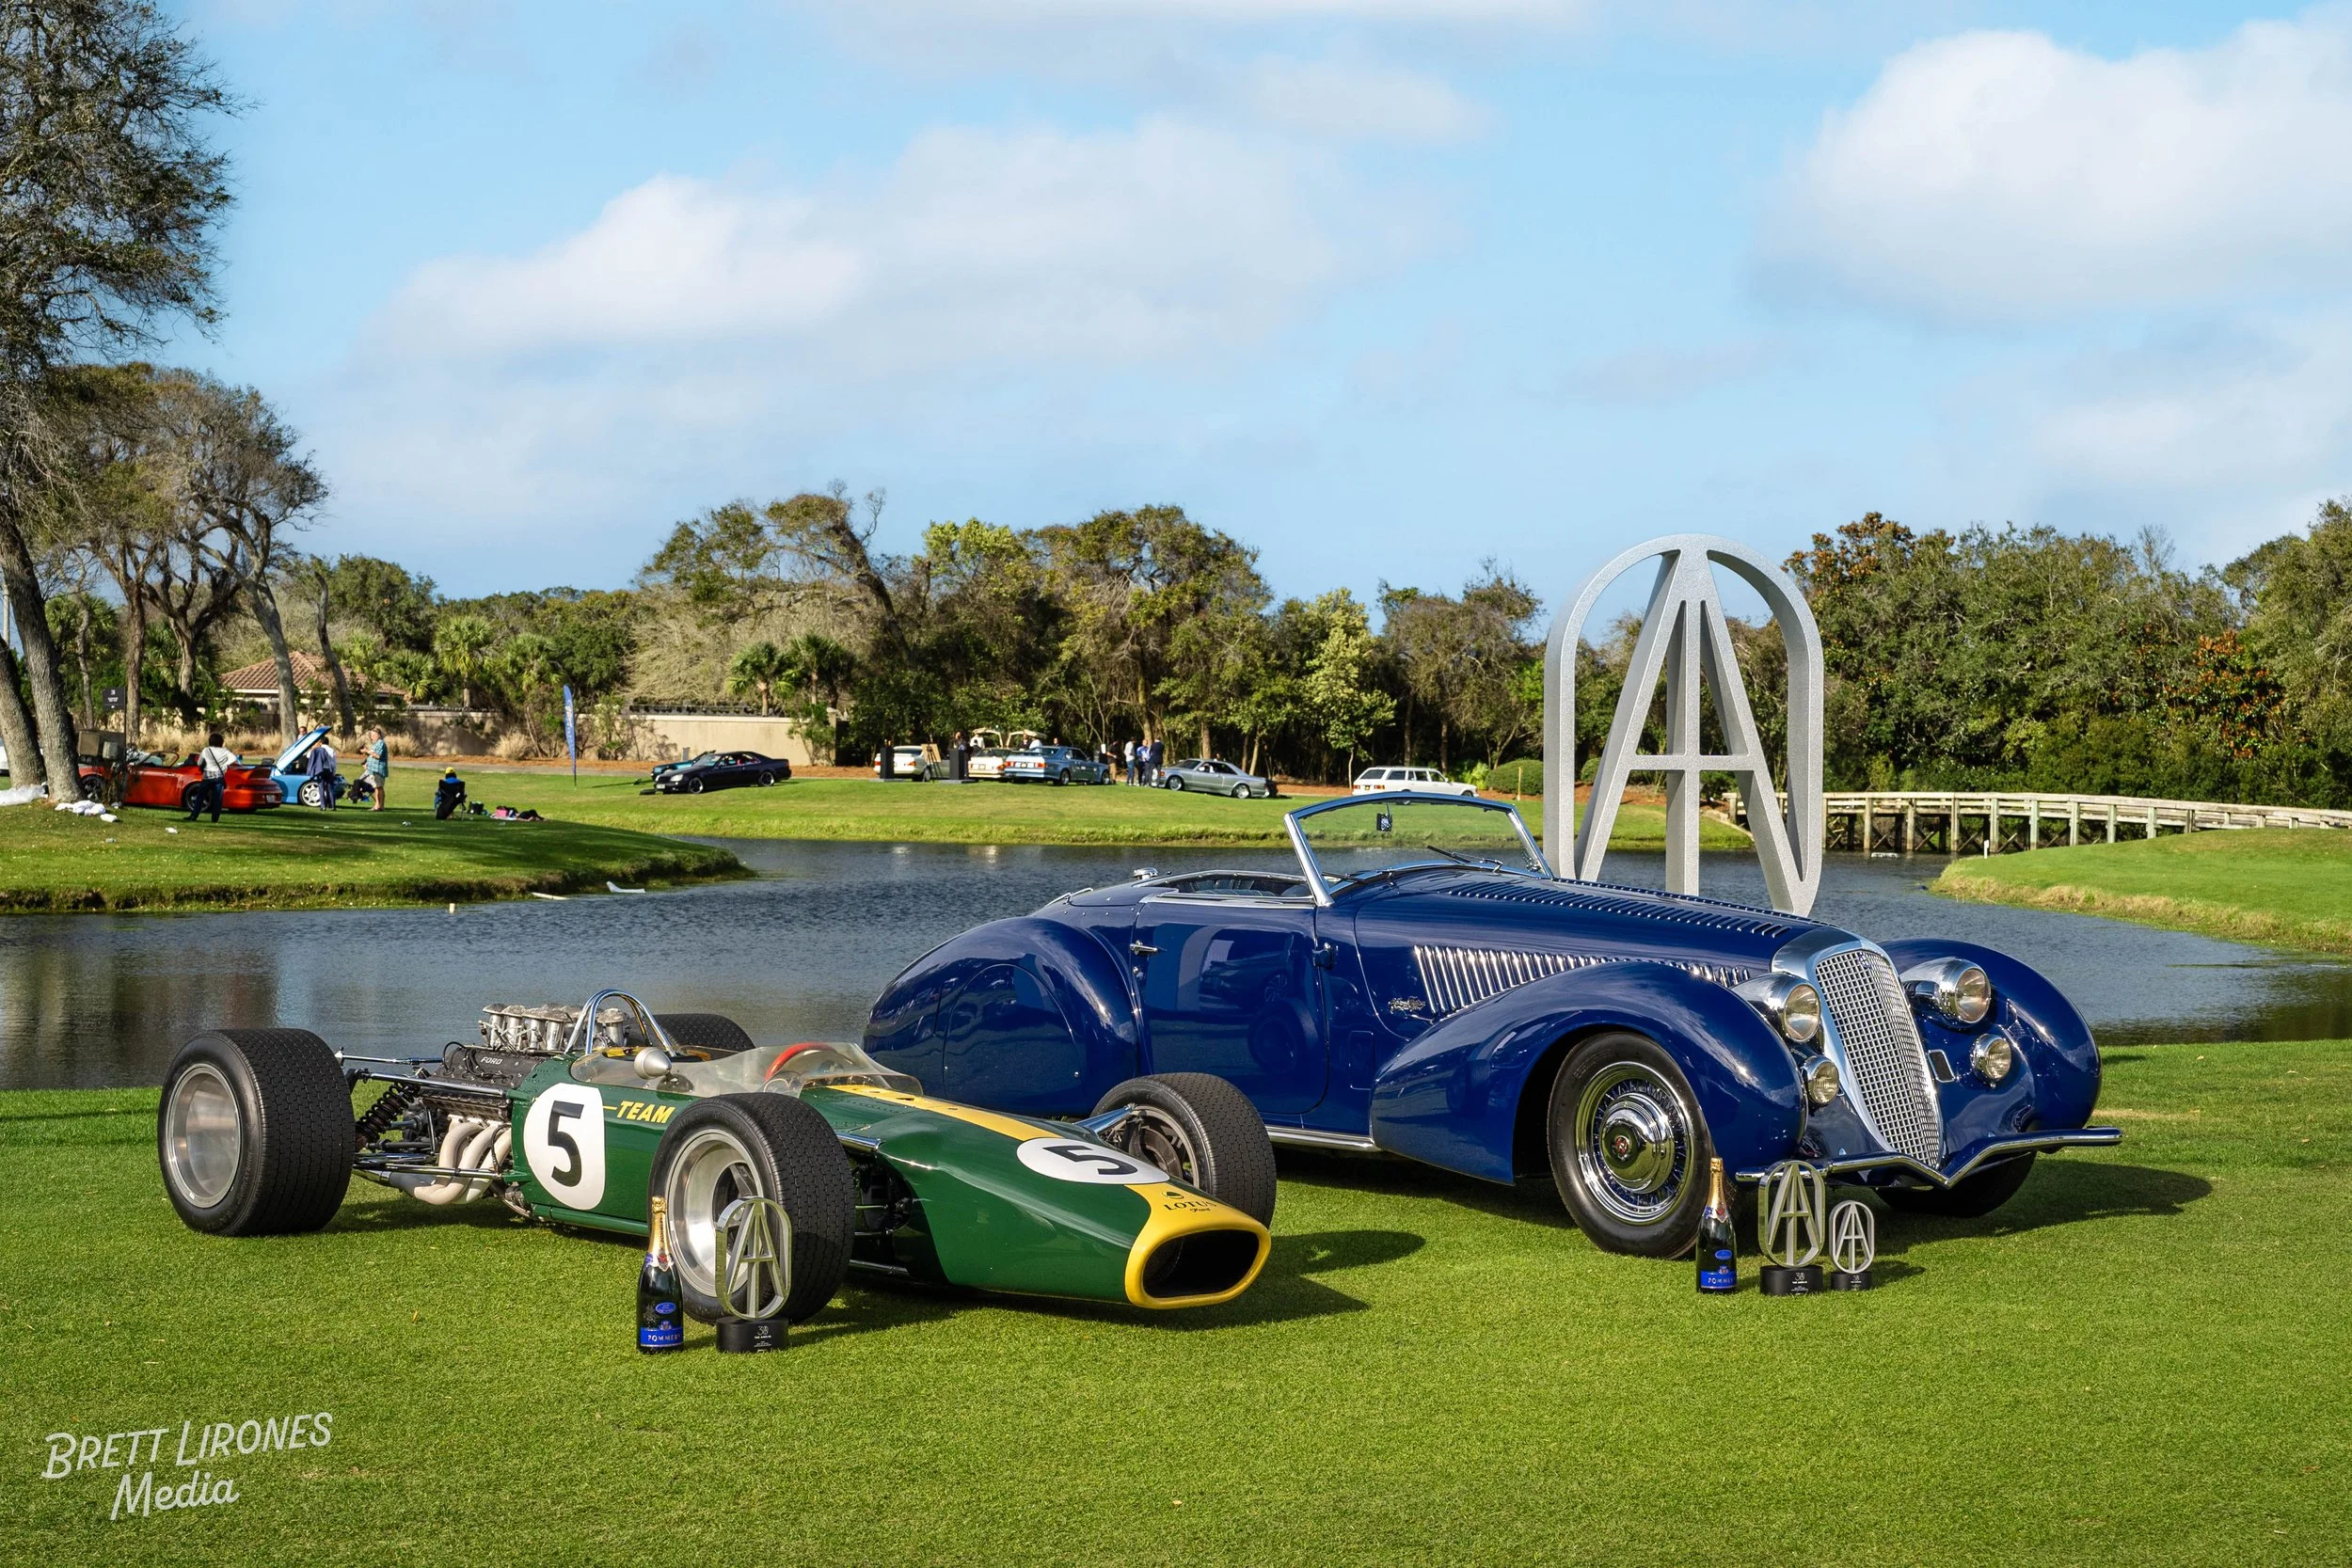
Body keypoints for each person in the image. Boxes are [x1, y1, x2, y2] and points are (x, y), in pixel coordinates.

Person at [189, 731, 237, 822]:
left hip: (207, 776)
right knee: (217, 799)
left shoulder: (206, 750)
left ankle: (194, 816)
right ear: (221, 742)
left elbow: (199, 762)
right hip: (219, 775)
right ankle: (215, 819)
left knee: (200, 797)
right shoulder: (224, 751)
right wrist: (225, 764)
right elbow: (234, 758)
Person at [305, 736, 338, 809]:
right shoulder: (331, 750)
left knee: (321, 788)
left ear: (321, 742)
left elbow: (308, 756)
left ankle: (323, 806)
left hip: (320, 770)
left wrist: (314, 747)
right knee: (330, 788)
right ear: (328, 742)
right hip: (329, 770)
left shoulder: (317, 750)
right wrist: (334, 771)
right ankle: (333, 806)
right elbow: (334, 763)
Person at [362, 727, 389, 812]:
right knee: (376, 788)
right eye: (371, 735)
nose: (372, 737)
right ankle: (377, 806)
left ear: (378, 735)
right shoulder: (375, 744)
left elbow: (377, 755)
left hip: (378, 769)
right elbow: (372, 755)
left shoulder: (381, 743)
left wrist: (367, 751)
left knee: (379, 787)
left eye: (373, 735)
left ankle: (381, 806)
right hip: (373, 769)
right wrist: (367, 763)